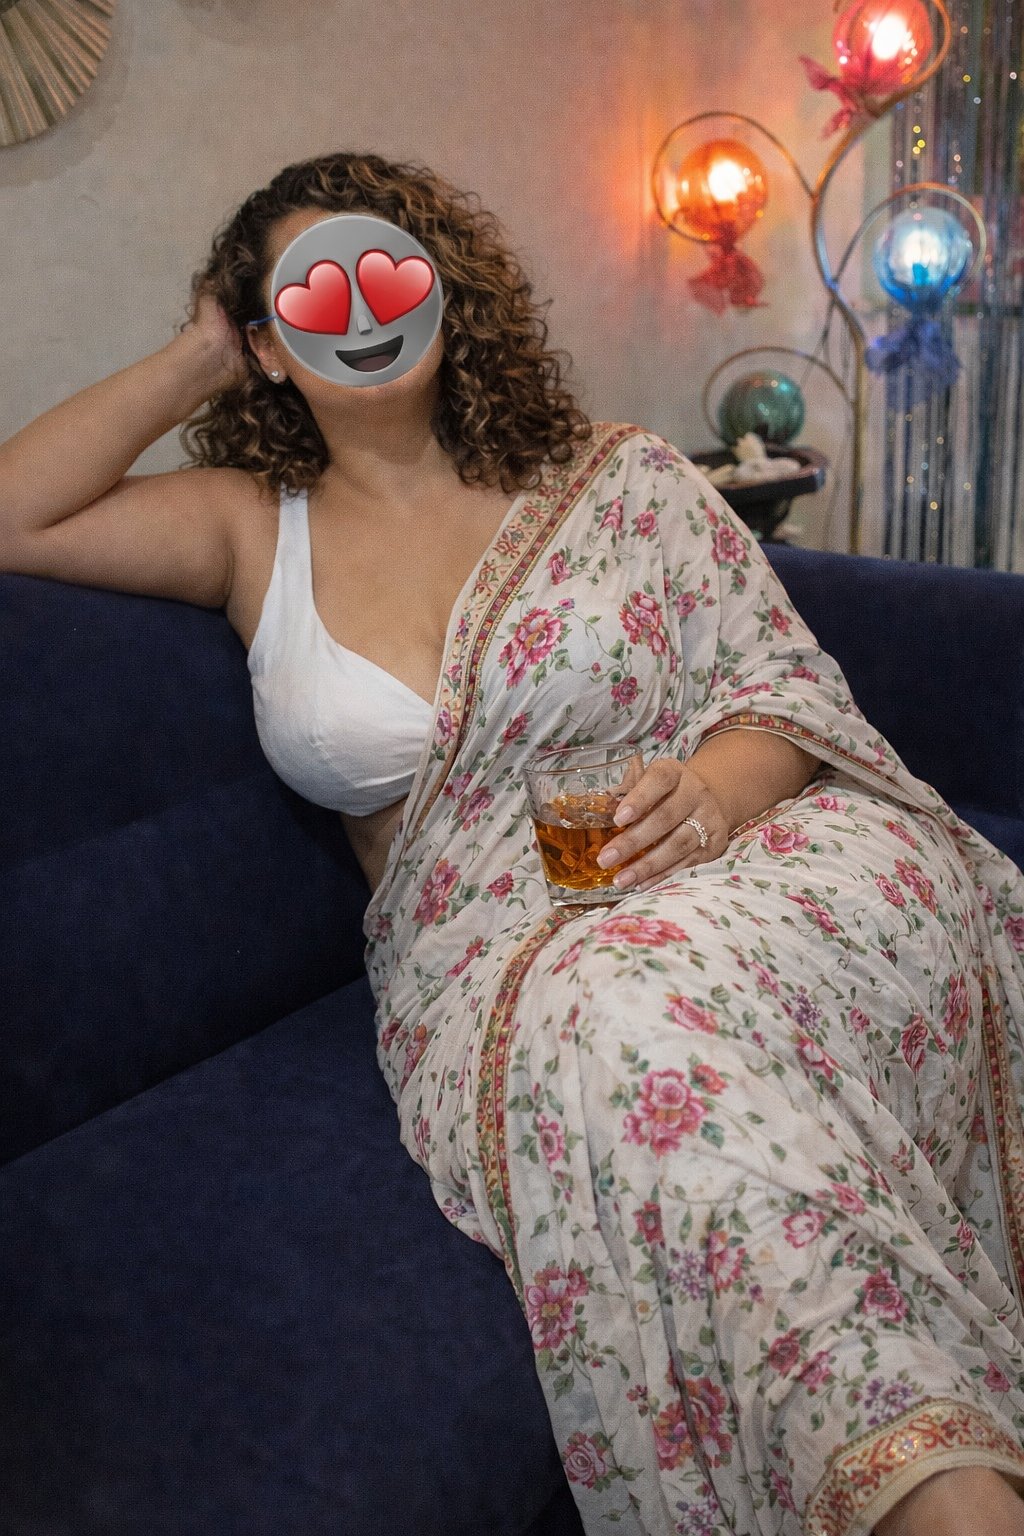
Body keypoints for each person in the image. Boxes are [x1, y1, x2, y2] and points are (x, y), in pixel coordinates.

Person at [2, 151, 1024, 1536]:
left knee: (658, 992)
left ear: (446, 291)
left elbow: (781, 689)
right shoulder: (247, 526)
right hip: (489, 949)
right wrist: (198, 354)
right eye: (310, 294)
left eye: (386, 269)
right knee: (625, 1015)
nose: (360, 310)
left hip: (756, 863)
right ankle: (931, 1486)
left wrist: (712, 794)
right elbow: (12, 514)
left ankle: (938, 1489)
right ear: (266, 344)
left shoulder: (620, 480)